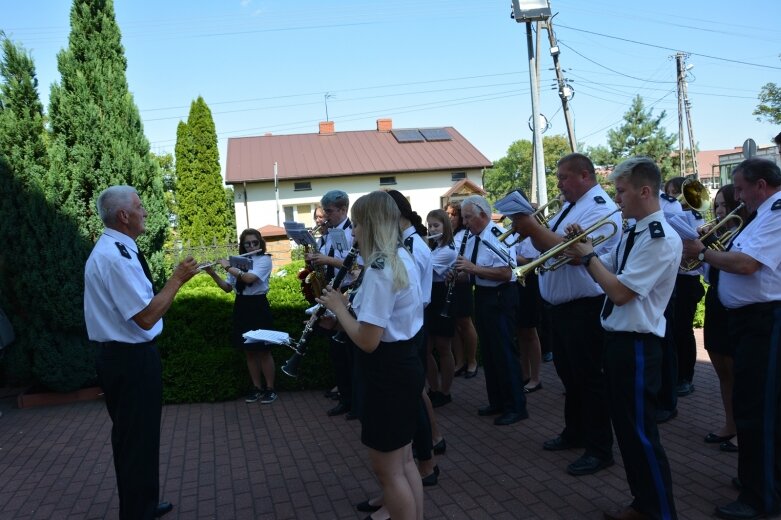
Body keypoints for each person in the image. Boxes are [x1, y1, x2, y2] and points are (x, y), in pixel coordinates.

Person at [566, 156, 681, 520]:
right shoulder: (635, 230)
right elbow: (610, 267)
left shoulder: (661, 239)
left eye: (621, 191)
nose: (617, 199)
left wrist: (587, 259)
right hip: (618, 344)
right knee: (628, 435)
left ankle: (662, 513)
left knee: (641, 436)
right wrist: (583, 248)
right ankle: (643, 505)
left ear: (645, 191)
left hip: (637, 347)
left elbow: (619, 292)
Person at [84, 185, 198, 519]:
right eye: (139, 206)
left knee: (140, 437)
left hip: (127, 357)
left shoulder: (118, 249)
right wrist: (177, 279)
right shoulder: (114, 257)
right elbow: (147, 316)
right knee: (136, 439)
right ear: (123, 216)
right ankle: (137, 512)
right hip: (129, 360)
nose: (144, 211)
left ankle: (143, 504)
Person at [682, 158, 781, 520]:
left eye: (739, 188)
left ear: (761, 185)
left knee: (759, 410)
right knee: (752, 404)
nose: (736, 196)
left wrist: (703, 252)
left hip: (765, 322)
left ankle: (762, 498)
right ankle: (759, 481)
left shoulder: (777, 213)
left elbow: (747, 265)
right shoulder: (763, 214)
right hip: (749, 322)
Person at [318, 190, 426, 520]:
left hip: (386, 375)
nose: (353, 232)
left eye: (358, 225)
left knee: (388, 471)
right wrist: (349, 310)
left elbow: (368, 340)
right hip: (403, 365)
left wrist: (338, 307)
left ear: (371, 224)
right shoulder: (397, 255)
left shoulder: (381, 266)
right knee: (405, 462)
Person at [511, 153, 620, 476]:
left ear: (585, 176)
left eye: (563, 178)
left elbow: (572, 252)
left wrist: (531, 226)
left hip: (584, 308)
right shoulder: (571, 208)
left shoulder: (599, 206)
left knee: (589, 379)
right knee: (569, 377)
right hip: (560, 308)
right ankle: (575, 431)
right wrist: (529, 236)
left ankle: (600, 448)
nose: (558, 184)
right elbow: (544, 248)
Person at [455, 195, 527, 426]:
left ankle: (516, 406)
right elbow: (477, 271)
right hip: (485, 296)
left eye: (468, 217)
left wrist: (473, 268)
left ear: (483, 216)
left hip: (500, 297)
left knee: (504, 352)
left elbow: (507, 272)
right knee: (490, 353)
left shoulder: (497, 235)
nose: (465, 223)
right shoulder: (476, 237)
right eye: (464, 218)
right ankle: (497, 401)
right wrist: (461, 274)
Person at [203, 229, 276, 404]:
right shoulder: (238, 262)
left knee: (264, 350)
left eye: (255, 243)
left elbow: (250, 279)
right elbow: (228, 288)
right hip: (241, 305)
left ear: (260, 243)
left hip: (258, 305)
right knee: (249, 351)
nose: (251, 246)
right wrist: (212, 272)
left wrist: (228, 266)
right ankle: (257, 387)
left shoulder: (264, 260)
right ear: (242, 245)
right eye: (247, 243)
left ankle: (270, 389)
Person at [699, 185, 746, 453]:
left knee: (739, 372)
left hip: (735, 307)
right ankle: (729, 424)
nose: (719, 211)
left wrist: (707, 249)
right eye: (717, 206)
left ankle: (743, 428)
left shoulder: (742, 234)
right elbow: (703, 272)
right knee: (723, 372)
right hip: (716, 300)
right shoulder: (718, 233)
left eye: (724, 205)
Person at [307, 190, 356, 418]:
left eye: (329, 211)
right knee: (337, 352)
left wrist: (326, 259)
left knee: (348, 352)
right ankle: (345, 397)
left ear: (343, 209)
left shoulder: (354, 231)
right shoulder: (329, 233)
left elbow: (357, 265)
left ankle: (355, 401)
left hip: (348, 292)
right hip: (332, 291)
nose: (324, 216)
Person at [664, 177, 706, 398]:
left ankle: (686, 377)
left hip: (687, 279)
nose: (672, 198)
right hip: (673, 277)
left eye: (675, 193)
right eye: (669, 193)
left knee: (682, 329)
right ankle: (673, 375)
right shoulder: (669, 216)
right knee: (671, 329)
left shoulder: (696, 218)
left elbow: (700, 245)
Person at [424, 209, 458, 407]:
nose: (432, 229)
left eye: (436, 225)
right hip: (432, 298)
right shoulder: (435, 248)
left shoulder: (448, 251)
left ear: (445, 226)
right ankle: (434, 389)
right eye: (430, 226)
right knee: (427, 348)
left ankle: (445, 391)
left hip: (442, 297)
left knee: (444, 347)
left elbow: (425, 268)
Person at [445, 201, 479, 378]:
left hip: (463, 282)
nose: (450, 218)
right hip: (450, 282)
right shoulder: (446, 235)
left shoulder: (466, 234)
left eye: (454, 215)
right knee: (454, 325)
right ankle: (460, 361)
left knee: (465, 323)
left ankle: (472, 361)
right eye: (448, 214)